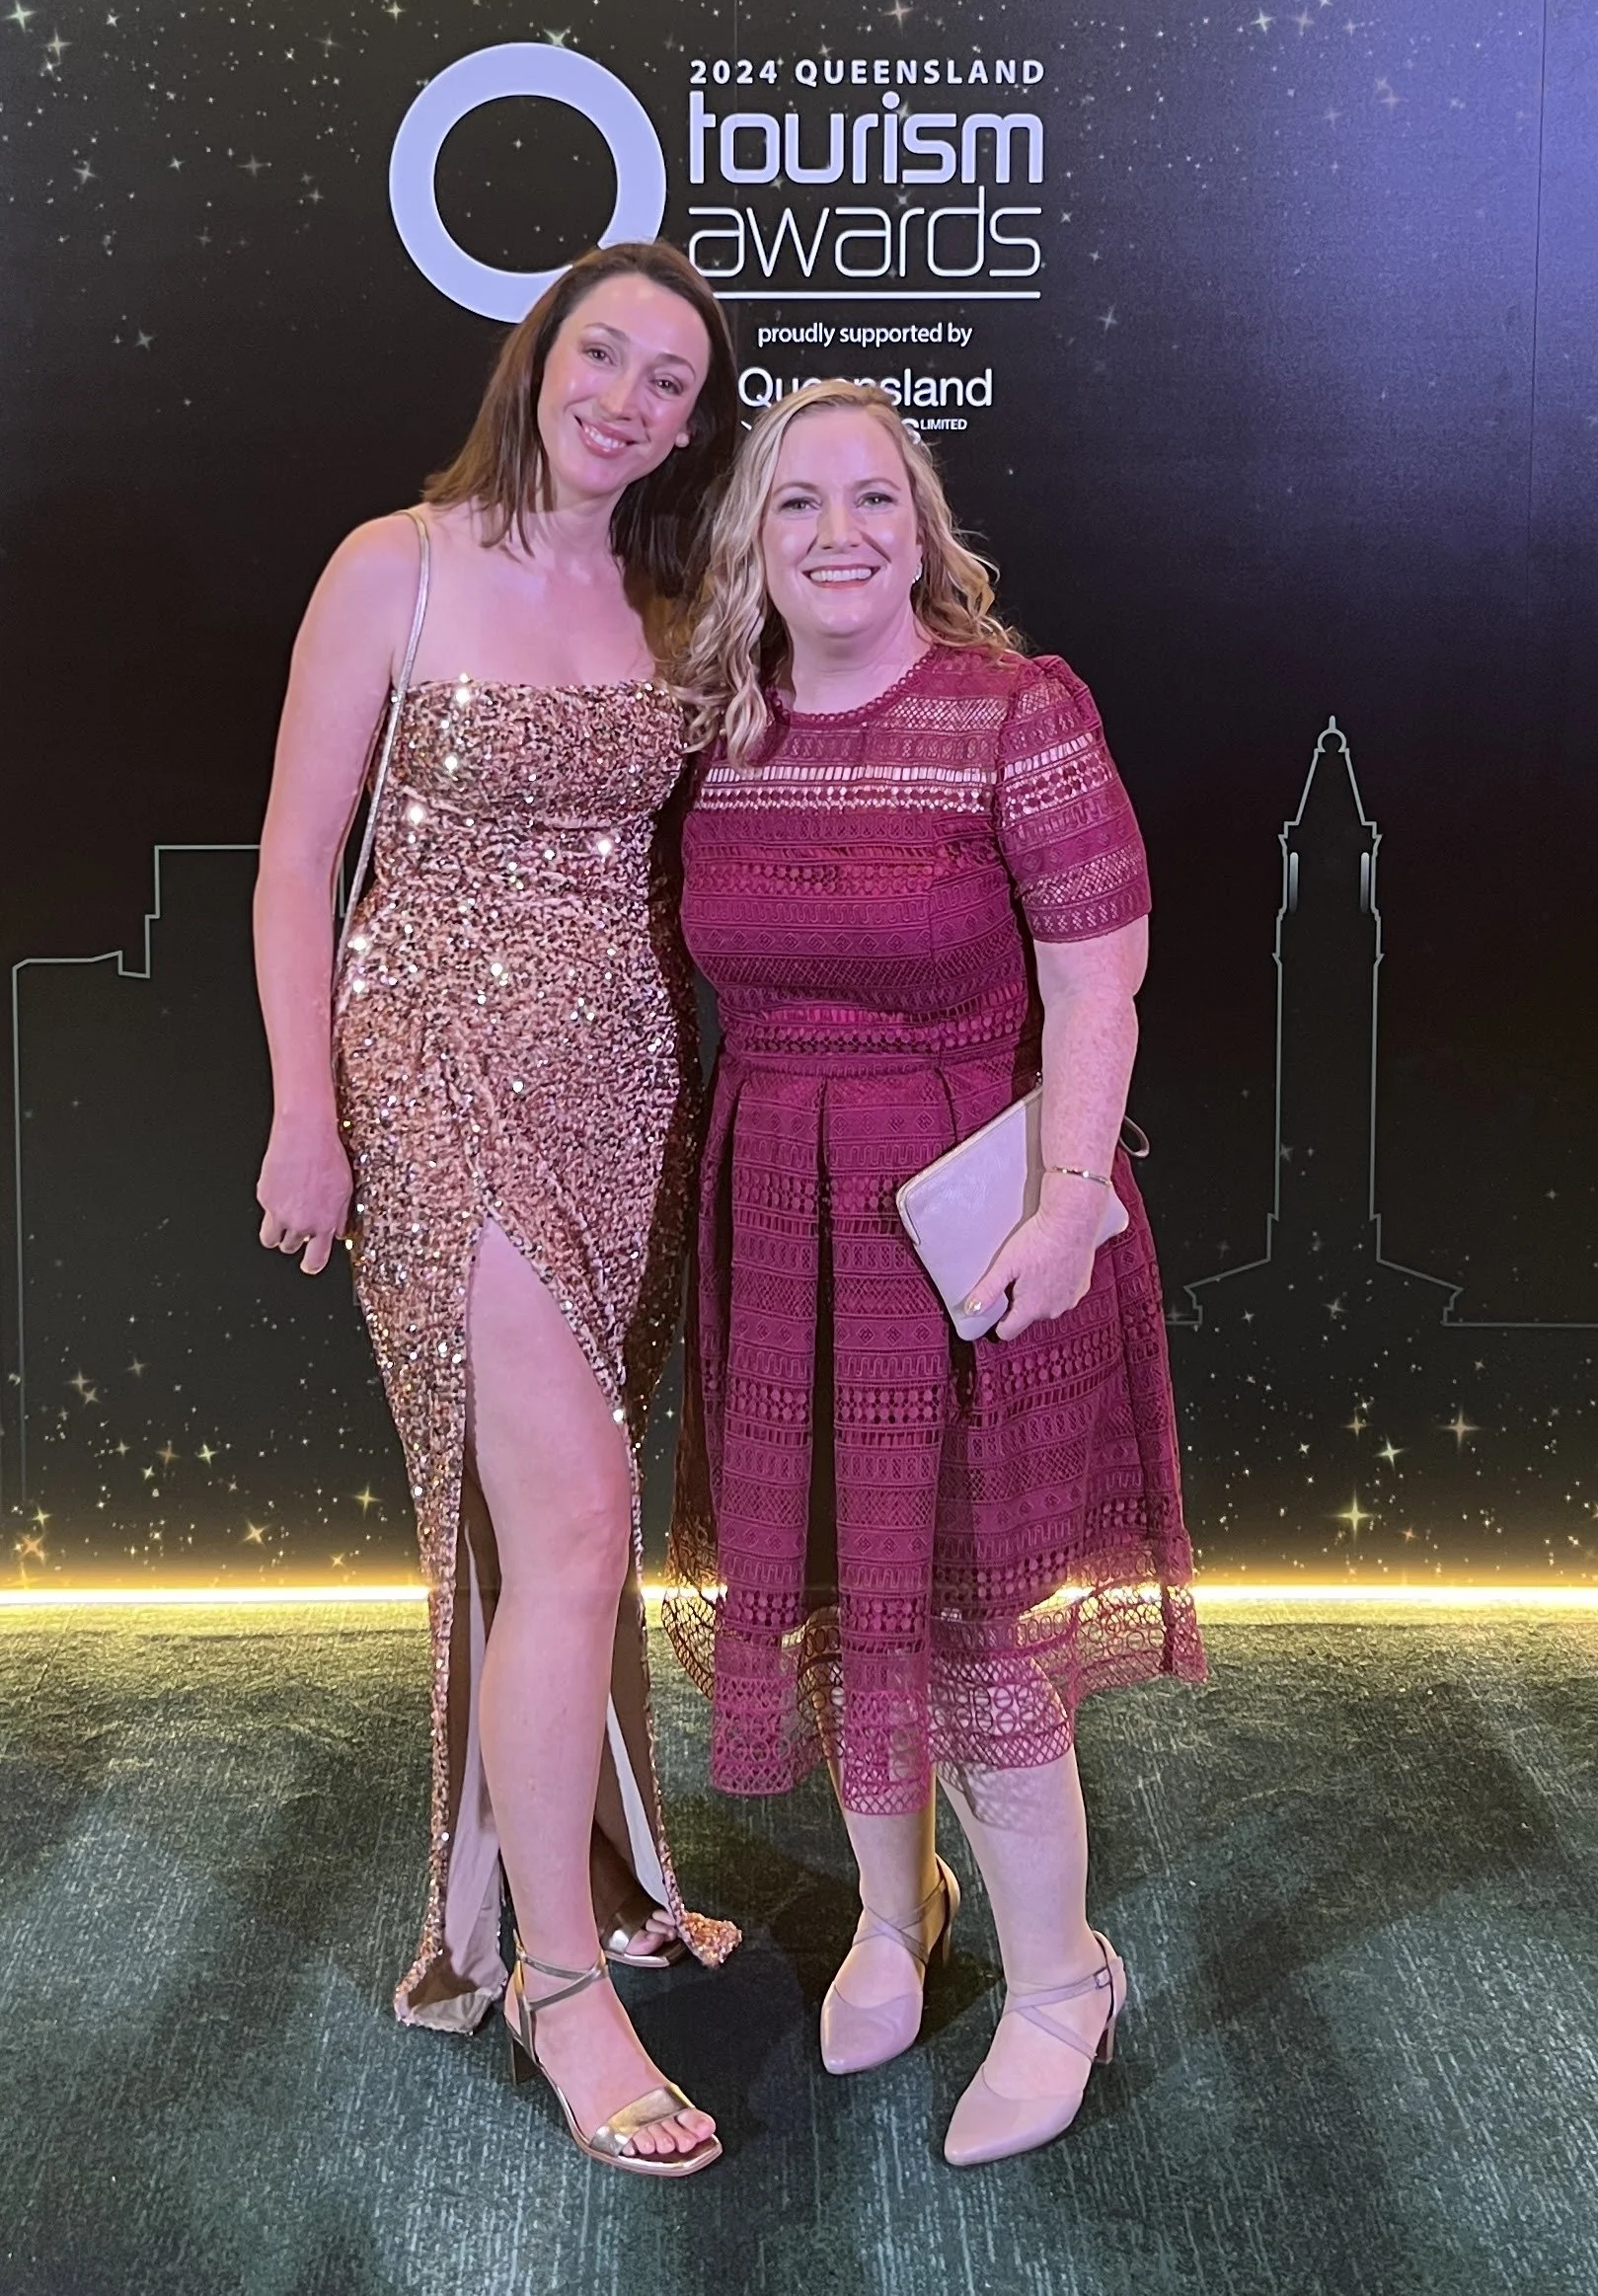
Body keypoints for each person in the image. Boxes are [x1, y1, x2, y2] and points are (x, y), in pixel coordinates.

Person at [666, 380, 1204, 2169]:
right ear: (752, 536)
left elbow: (1097, 986)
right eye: (799, 501)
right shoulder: (719, 723)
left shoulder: (1012, 709)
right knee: (831, 1587)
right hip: (780, 1212)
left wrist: (1064, 1208)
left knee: (974, 1620)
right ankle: (897, 1920)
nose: (840, 533)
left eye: (875, 500)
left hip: (972, 1216)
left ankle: (1063, 1977)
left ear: (923, 527)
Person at [252, 241, 739, 2179]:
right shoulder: (400, 560)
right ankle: (552, 1977)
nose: (623, 393)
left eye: (666, 378)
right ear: (538, 361)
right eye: (598, 352)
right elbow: (298, 862)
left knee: (575, 1533)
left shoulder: (674, 599)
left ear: (693, 423)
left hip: (627, 1093)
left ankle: (599, 1861)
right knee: (578, 1514)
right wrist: (306, 1112)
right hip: (433, 1080)